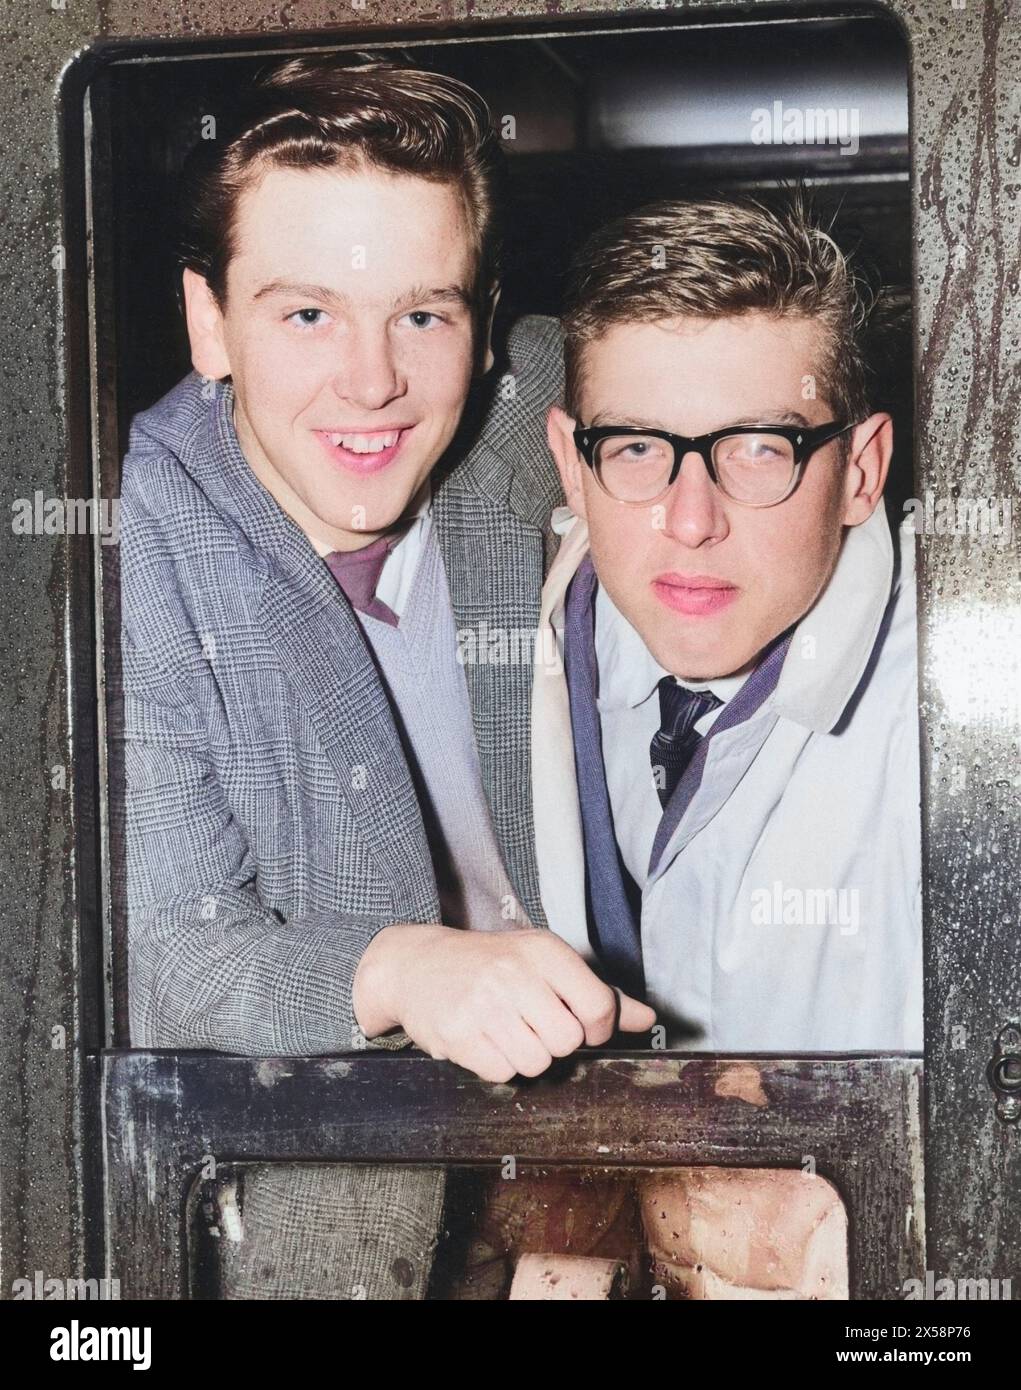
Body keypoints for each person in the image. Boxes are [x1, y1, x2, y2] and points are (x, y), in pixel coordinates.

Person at [119, 53, 653, 1301]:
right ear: (211, 322)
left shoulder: (528, 398)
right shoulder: (127, 530)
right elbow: (170, 948)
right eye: (306, 314)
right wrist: (408, 969)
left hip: (608, 1147)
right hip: (317, 1237)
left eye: (424, 313)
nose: (373, 382)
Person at [475, 190, 922, 1299]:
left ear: (860, 469)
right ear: (569, 464)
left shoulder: (963, 692)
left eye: (757, 449)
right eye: (636, 448)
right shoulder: (512, 630)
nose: (689, 517)